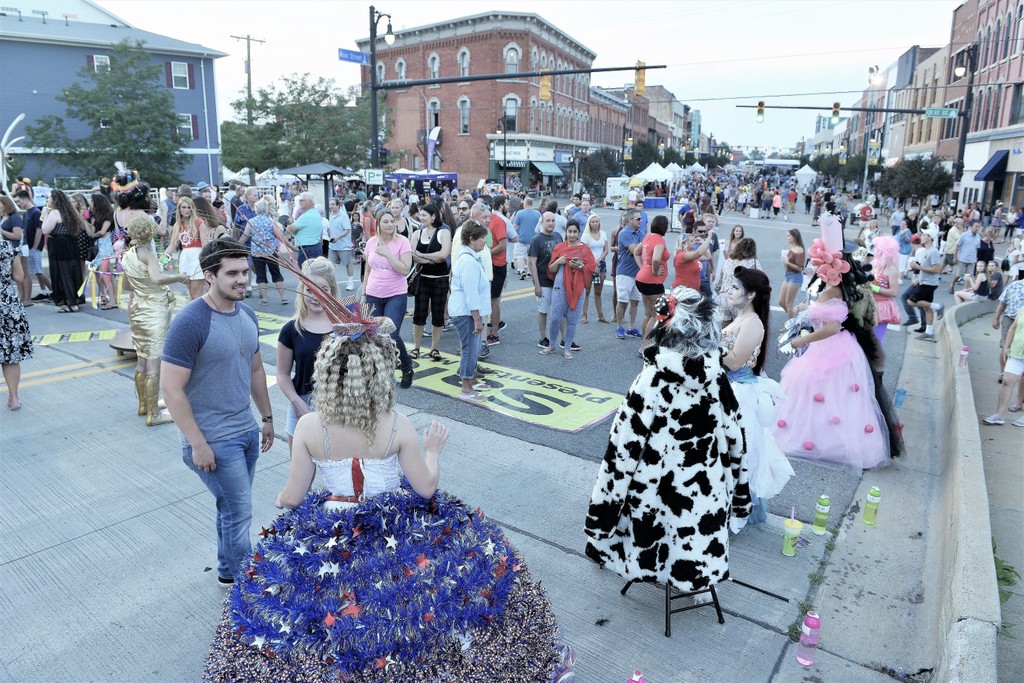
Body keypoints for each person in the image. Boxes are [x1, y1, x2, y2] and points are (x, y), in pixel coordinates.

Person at [203, 312, 575, 681]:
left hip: (334, 532)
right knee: (408, 608)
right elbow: (426, 487)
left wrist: (282, 500)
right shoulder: (398, 425)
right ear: (379, 374)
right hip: (393, 526)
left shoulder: (308, 427)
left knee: (333, 610)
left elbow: (294, 494)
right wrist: (432, 451)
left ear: (328, 373)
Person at [585, 285, 752, 596]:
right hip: (704, 496)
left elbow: (622, 451)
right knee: (694, 538)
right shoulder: (717, 381)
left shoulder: (652, 380)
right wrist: (740, 498)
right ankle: (692, 574)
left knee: (653, 527)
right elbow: (737, 443)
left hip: (654, 494)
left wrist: (602, 517)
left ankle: (650, 567)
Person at [161, 239, 275, 587]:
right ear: (209, 275)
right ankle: (248, 585)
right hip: (213, 438)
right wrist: (197, 443)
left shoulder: (247, 314)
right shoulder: (190, 322)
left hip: (245, 431)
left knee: (230, 509)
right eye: (232, 273)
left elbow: (256, 370)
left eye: (245, 272)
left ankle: (228, 572)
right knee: (239, 511)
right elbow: (170, 388)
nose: (243, 280)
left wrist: (267, 419)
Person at [774, 240, 892, 472]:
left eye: (821, 267)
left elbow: (831, 327)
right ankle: (824, 439)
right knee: (831, 396)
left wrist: (801, 340)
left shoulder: (830, 291)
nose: (818, 270)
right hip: (838, 347)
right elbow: (822, 316)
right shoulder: (838, 290)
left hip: (829, 347)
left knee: (816, 391)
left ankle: (819, 441)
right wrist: (800, 316)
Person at [722, 267, 793, 524]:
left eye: (735, 288)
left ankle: (733, 508)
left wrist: (710, 346)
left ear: (751, 294)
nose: (729, 292)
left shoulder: (753, 323)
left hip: (740, 392)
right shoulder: (741, 317)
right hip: (729, 388)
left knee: (738, 450)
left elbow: (734, 361)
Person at [121, 215, 190, 425]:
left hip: (138, 309)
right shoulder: (148, 254)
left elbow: (126, 286)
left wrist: (143, 287)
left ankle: (144, 405)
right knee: (154, 363)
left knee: (141, 360)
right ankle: (154, 414)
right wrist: (179, 277)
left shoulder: (127, 255)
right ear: (150, 232)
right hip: (154, 310)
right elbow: (157, 279)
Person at [276, 257, 337, 449]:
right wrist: (295, 401)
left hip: (340, 407)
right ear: (301, 291)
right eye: (309, 289)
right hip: (301, 405)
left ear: (332, 291)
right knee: (301, 472)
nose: (315, 295)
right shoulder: (291, 329)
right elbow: (282, 374)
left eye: (323, 289)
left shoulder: (345, 328)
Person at [361, 208, 414, 388]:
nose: (390, 224)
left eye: (392, 221)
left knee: (391, 334)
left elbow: (405, 269)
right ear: (378, 223)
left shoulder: (402, 242)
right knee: (374, 335)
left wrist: (387, 253)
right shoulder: (371, 243)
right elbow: (368, 269)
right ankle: (381, 372)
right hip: (373, 293)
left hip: (396, 294)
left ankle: (406, 367)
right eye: (386, 221)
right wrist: (363, 294)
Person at [449, 220, 491, 401]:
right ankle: (466, 388)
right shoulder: (468, 261)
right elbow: (471, 292)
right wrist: (476, 318)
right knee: (470, 349)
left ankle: (471, 380)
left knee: (473, 348)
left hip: (466, 311)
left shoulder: (470, 257)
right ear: (472, 239)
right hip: (465, 312)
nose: (485, 242)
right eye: (482, 238)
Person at [541, 219, 595, 359]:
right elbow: (551, 269)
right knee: (555, 318)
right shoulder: (559, 247)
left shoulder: (584, 249)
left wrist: (580, 266)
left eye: (575, 232)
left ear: (578, 232)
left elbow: (591, 268)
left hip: (577, 289)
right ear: (566, 232)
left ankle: (567, 347)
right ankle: (552, 345)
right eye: (569, 231)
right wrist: (559, 261)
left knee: (572, 319)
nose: (572, 235)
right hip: (560, 287)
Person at [409, 204, 451, 361]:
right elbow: (413, 256)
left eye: (424, 215)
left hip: (440, 279)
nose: (421, 218)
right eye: (420, 215)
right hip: (422, 279)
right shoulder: (417, 233)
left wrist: (424, 256)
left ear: (434, 216)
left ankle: (434, 348)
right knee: (419, 314)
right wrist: (432, 259)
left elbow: (443, 255)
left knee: (438, 314)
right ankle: (416, 347)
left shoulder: (444, 232)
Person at [40, 190, 87, 312]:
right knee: (72, 272)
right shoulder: (71, 212)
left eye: (49, 198)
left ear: (55, 200)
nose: (47, 200)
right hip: (71, 244)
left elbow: (45, 230)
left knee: (62, 273)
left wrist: (45, 215)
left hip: (58, 245)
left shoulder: (55, 213)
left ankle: (69, 302)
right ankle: (75, 300)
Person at [1, 239, 32, 411]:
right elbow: (20, 277)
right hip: (7, 303)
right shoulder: (7, 247)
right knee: (10, 354)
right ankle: (14, 398)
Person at [239, 199, 289, 306]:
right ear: (265, 209)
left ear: (256, 210)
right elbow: (279, 236)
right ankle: (283, 297)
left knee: (261, 275)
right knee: (276, 274)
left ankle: (264, 298)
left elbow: (245, 236)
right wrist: (292, 247)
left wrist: (236, 245)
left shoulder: (251, 222)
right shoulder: (270, 221)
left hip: (257, 252)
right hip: (271, 251)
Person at [634, 215, 670, 352]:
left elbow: (637, 252)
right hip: (652, 282)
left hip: (642, 279)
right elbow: (656, 259)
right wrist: (654, 270)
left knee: (648, 314)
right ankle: (645, 346)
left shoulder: (648, 237)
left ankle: (645, 343)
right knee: (655, 315)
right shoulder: (659, 240)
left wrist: (643, 266)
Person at [528, 211, 564, 348]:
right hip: (543, 281)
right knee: (543, 310)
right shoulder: (536, 240)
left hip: (557, 281)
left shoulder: (558, 236)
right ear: (542, 223)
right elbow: (532, 263)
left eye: (553, 221)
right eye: (548, 221)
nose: (550, 223)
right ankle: (543, 337)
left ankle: (565, 338)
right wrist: (536, 285)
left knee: (560, 311)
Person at [164, 196, 210, 300]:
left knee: (195, 293)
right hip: (185, 258)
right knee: (192, 292)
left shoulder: (199, 223)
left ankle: (200, 315)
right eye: (183, 207)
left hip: (197, 259)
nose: (186, 210)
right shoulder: (178, 225)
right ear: (179, 209)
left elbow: (205, 245)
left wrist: (207, 263)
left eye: (189, 207)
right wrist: (162, 260)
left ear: (193, 209)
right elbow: (172, 246)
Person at [715, 237, 762, 324]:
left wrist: (722, 293)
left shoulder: (728, 261)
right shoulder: (754, 263)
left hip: (725, 298)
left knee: (725, 329)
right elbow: (761, 282)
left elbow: (717, 283)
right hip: (740, 299)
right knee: (738, 329)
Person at [907, 232, 944, 340]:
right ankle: (929, 332)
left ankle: (938, 306)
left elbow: (937, 269)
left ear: (930, 237)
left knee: (910, 301)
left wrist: (918, 267)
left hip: (929, 283)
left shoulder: (933, 251)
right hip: (924, 281)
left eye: (924, 235)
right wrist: (918, 277)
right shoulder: (924, 251)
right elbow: (924, 267)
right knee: (927, 308)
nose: (921, 237)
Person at [614, 209, 645, 340]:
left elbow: (641, 249)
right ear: (629, 220)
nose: (641, 221)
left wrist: (639, 247)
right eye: (638, 219)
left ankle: (631, 328)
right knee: (622, 301)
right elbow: (635, 250)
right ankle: (619, 327)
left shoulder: (639, 232)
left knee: (635, 301)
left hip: (637, 273)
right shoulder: (624, 233)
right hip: (625, 273)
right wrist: (642, 245)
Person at [869, 235, 901, 341]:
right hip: (871, 303)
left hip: (882, 307)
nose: (875, 250)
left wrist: (875, 288)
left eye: (877, 248)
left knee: (876, 339)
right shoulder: (876, 265)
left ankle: (875, 357)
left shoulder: (891, 269)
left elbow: (894, 292)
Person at [581, 212, 609, 323]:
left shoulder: (603, 234)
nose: (595, 224)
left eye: (597, 221)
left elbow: (606, 250)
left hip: (600, 264)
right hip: (589, 265)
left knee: (598, 292)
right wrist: (593, 263)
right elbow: (584, 252)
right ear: (589, 223)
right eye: (592, 222)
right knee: (586, 292)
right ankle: (584, 315)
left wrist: (598, 261)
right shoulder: (586, 236)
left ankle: (600, 315)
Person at [327, 198, 356, 291]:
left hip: (343, 245)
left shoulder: (343, 216)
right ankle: (331, 283)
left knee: (347, 263)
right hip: (333, 245)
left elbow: (347, 229)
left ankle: (351, 282)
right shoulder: (331, 215)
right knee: (330, 265)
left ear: (338, 205)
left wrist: (337, 238)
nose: (331, 206)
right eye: (330, 204)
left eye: (333, 204)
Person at [288, 192, 324, 265]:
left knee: (305, 274)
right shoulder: (315, 213)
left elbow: (289, 230)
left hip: (307, 250)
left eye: (302, 200)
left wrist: (290, 227)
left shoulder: (306, 216)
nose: (300, 202)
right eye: (299, 200)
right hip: (315, 247)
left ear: (309, 202)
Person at [777, 228, 805, 320]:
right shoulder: (792, 248)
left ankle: (790, 326)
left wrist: (787, 262)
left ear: (794, 237)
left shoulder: (799, 250)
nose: (787, 237)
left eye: (788, 236)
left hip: (795, 277)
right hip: (788, 275)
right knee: (781, 302)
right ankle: (793, 318)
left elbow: (800, 268)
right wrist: (785, 261)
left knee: (789, 304)